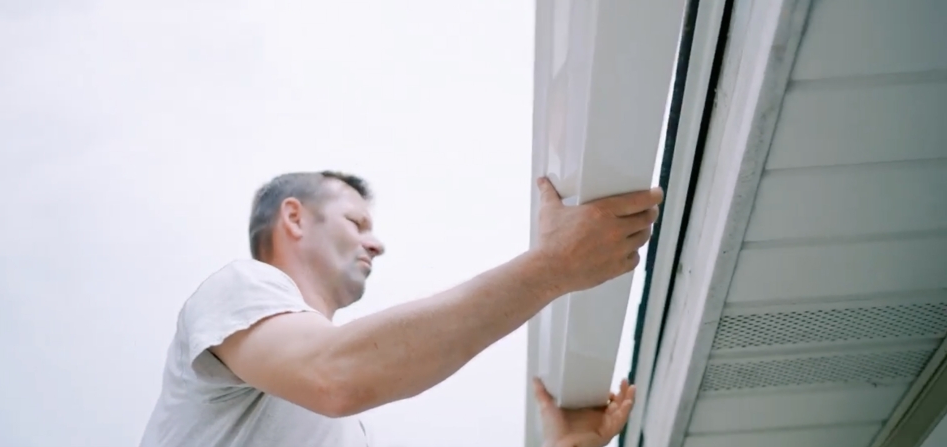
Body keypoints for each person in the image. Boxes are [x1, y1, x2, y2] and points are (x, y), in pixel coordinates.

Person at [140, 170, 662, 447]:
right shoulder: (240, 287)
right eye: (356, 223)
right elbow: (336, 375)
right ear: (294, 218)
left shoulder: (348, 435)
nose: (377, 244)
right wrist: (553, 267)